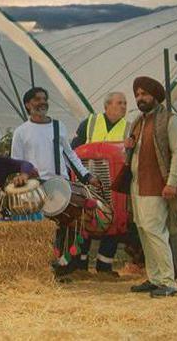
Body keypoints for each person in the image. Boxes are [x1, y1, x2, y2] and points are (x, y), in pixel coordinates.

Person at [11, 87, 100, 277]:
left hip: (60, 184)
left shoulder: (59, 126)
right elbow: (16, 162)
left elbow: (70, 155)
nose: (42, 102)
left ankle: (62, 268)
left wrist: (87, 176)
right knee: (40, 230)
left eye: (44, 98)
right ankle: (41, 268)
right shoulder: (21, 132)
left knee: (64, 227)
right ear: (28, 104)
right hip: (35, 187)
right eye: (37, 99)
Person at [126, 76, 177, 298]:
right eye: (137, 94)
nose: (140, 98)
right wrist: (128, 146)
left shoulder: (170, 120)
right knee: (143, 231)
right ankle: (155, 278)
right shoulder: (138, 122)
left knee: (155, 231)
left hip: (157, 186)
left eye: (144, 94)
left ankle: (169, 282)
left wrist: (172, 183)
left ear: (155, 95)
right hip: (137, 185)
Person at [70, 91, 128, 274]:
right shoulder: (90, 123)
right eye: (119, 103)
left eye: (125, 103)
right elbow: (73, 150)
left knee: (113, 220)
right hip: (89, 181)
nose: (124, 106)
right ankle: (81, 266)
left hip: (114, 184)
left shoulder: (129, 128)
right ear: (107, 106)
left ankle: (104, 267)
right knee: (87, 219)